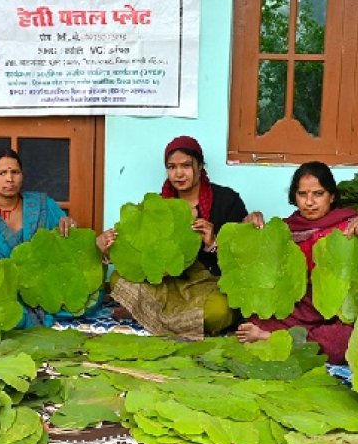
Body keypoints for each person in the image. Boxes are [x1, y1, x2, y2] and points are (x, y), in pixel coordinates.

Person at [235, 161, 358, 364]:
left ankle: (273, 339)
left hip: (341, 311)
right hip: (301, 308)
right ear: (294, 197)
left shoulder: (353, 225)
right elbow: (259, 273)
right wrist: (249, 233)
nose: (309, 202)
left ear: (331, 196)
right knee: (254, 321)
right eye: (302, 194)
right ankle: (287, 339)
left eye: (318, 194)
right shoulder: (286, 230)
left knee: (345, 341)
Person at [97, 135, 251, 339]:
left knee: (220, 311)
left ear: (200, 166)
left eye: (186, 165)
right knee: (118, 280)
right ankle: (167, 318)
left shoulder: (227, 201)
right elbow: (145, 257)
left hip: (208, 284)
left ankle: (148, 316)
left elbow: (242, 260)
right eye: (172, 167)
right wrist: (108, 249)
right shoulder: (159, 205)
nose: (179, 173)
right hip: (167, 284)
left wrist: (213, 243)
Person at [0, 148, 78, 327]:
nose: (10, 179)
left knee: (85, 300)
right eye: (2, 173)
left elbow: (63, 251)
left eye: (15, 172)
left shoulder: (42, 206)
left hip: (37, 289)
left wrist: (67, 226)